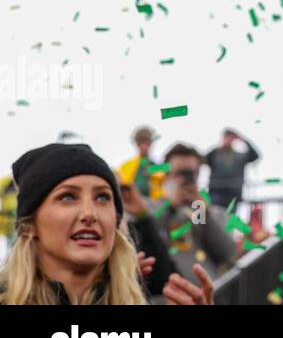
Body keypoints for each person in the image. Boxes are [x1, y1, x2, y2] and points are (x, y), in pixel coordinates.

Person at [0, 143, 211, 305]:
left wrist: (199, 210)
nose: (90, 214)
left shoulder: (205, 210)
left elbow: (224, 250)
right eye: (67, 197)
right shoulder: (153, 208)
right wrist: (162, 210)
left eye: (102, 197)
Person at [155, 143, 238, 288]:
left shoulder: (214, 213)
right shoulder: (152, 209)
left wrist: (203, 213)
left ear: (198, 174)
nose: (185, 179)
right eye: (179, 173)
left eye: (190, 173)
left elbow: (228, 256)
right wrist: (171, 207)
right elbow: (146, 241)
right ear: (167, 175)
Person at [204, 128, 260, 206]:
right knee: (215, 216)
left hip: (234, 194)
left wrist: (243, 139)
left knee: (230, 217)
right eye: (227, 137)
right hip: (216, 192)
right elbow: (202, 159)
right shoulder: (214, 154)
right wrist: (218, 147)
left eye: (231, 138)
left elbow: (255, 156)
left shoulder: (240, 156)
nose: (229, 140)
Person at [117, 125, 165, 201]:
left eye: (147, 143)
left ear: (150, 144)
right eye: (140, 143)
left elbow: (168, 173)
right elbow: (120, 182)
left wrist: (151, 170)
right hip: (132, 202)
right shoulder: (126, 165)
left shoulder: (159, 164)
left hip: (156, 204)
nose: (144, 146)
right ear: (137, 144)